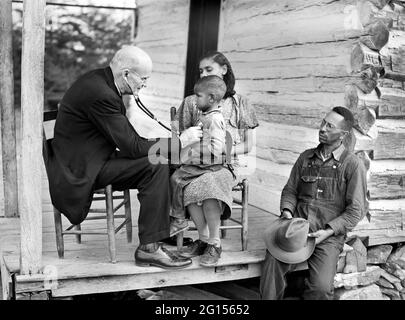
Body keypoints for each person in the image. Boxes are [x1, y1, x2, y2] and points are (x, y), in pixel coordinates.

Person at [46, 45, 203, 269]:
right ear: (126, 74)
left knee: (164, 162)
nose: (145, 84)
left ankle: (160, 232)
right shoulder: (102, 93)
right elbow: (133, 146)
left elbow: (131, 141)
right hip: (81, 170)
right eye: (144, 79)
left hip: (94, 157)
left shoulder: (101, 81)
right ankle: (148, 249)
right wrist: (181, 141)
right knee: (155, 165)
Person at [259, 106, 368, 300]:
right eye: (323, 122)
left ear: (342, 134)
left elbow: (355, 211)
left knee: (321, 288)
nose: (322, 128)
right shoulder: (306, 157)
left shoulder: (352, 165)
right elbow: (290, 190)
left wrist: (328, 231)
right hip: (296, 229)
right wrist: (287, 213)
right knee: (271, 268)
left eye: (329, 126)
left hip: (328, 236)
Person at [167, 51, 259, 247]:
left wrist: (222, 152)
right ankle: (204, 238)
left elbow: (248, 145)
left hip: (229, 163)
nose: (203, 74)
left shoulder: (240, 103)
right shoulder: (193, 101)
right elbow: (180, 137)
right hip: (197, 161)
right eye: (201, 71)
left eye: (209, 69)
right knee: (191, 181)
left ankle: (212, 241)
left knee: (208, 181)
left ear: (224, 70)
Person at [171, 75, 230, 266]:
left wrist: (194, 150)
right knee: (183, 183)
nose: (194, 101)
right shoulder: (205, 116)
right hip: (201, 164)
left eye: (198, 97)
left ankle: (214, 243)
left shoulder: (214, 119)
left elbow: (218, 148)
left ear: (211, 98)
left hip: (210, 165)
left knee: (179, 179)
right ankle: (203, 239)